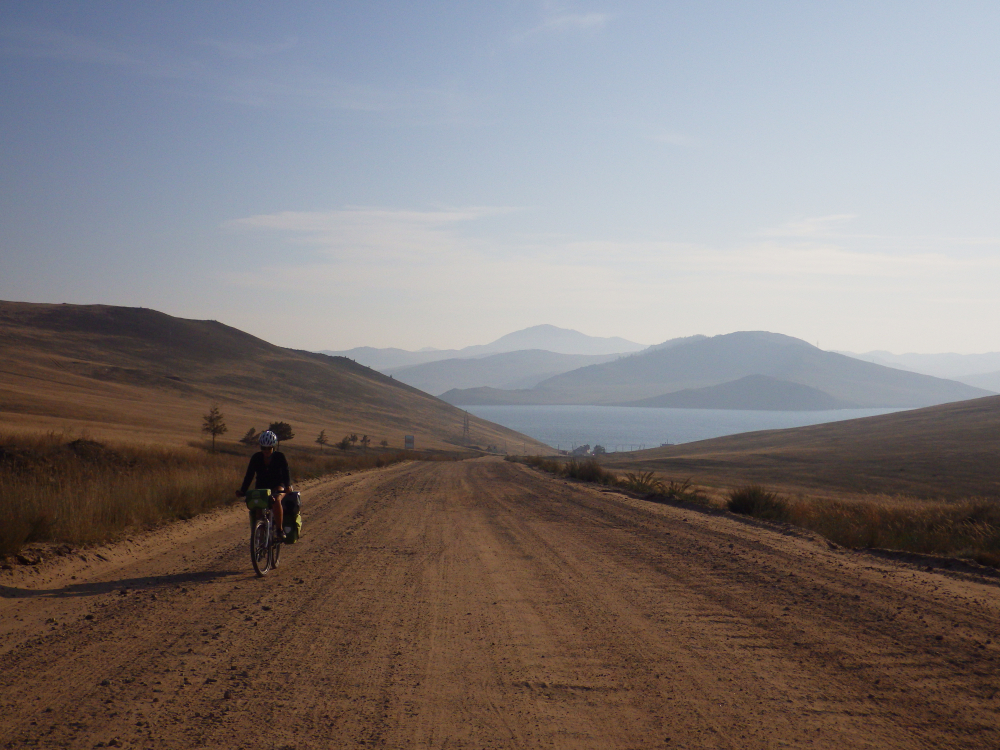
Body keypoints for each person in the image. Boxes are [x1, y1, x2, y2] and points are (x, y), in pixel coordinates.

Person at [236, 430, 290, 542]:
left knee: (276, 500)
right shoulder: (256, 457)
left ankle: (279, 530)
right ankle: (260, 535)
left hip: (278, 485)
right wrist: (243, 490)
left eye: (268, 448)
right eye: (263, 448)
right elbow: (249, 475)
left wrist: (288, 486)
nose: (266, 451)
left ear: (273, 447)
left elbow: (286, 473)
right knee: (258, 509)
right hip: (262, 487)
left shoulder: (280, 457)